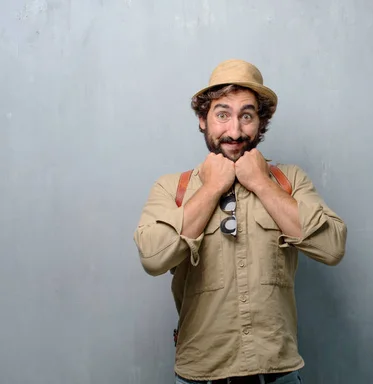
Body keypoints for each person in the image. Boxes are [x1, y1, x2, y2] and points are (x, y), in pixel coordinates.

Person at [133, 59, 347, 384]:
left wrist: (261, 183)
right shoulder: (171, 188)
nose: (234, 131)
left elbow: (331, 247)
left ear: (260, 123)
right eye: (222, 114)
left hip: (278, 374)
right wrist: (212, 187)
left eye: (246, 116)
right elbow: (153, 258)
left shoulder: (289, 180)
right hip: (200, 376)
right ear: (203, 120)